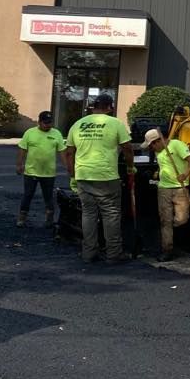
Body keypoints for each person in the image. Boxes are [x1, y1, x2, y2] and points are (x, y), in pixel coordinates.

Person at [64, 93, 134, 264]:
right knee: (111, 214)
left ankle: (89, 253)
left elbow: (69, 152)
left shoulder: (78, 124)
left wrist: (72, 174)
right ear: (109, 107)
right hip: (106, 176)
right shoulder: (115, 123)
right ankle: (113, 254)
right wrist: (130, 166)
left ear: (93, 107)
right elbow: (127, 147)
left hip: (84, 175)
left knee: (88, 214)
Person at [144, 127, 190, 260]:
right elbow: (163, 165)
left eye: (152, 145)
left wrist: (185, 175)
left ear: (158, 141)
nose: (152, 148)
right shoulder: (158, 152)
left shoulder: (176, 144)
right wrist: (157, 173)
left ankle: (171, 232)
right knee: (165, 220)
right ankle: (167, 249)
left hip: (180, 188)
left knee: (182, 219)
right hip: (164, 188)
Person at [16, 111, 66, 228]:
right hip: (31, 171)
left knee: (48, 197)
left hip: (49, 173)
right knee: (28, 195)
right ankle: (22, 218)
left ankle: (49, 219)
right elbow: (22, 149)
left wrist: (67, 166)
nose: (48, 125)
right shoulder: (30, 133)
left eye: (49, 123)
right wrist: (19, 165)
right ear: (39, 122)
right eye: (45, 123)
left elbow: (62, 152)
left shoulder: (56, 134)